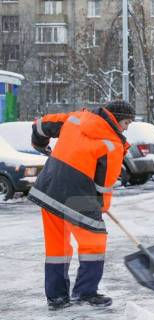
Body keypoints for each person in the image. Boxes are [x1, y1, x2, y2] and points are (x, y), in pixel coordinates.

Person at [28, 101, 134, 310]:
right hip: (77, 196)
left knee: (56, 247)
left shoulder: (75, 118)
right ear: (116, 117)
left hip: (48, 189)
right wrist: (100, 207)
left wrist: (39, 144)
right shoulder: (112, 143)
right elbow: (104, 186)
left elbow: (41, 124)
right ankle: (85, 293)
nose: (127, 127)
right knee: (94, 242)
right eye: (126, 122)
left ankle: (57, 298)